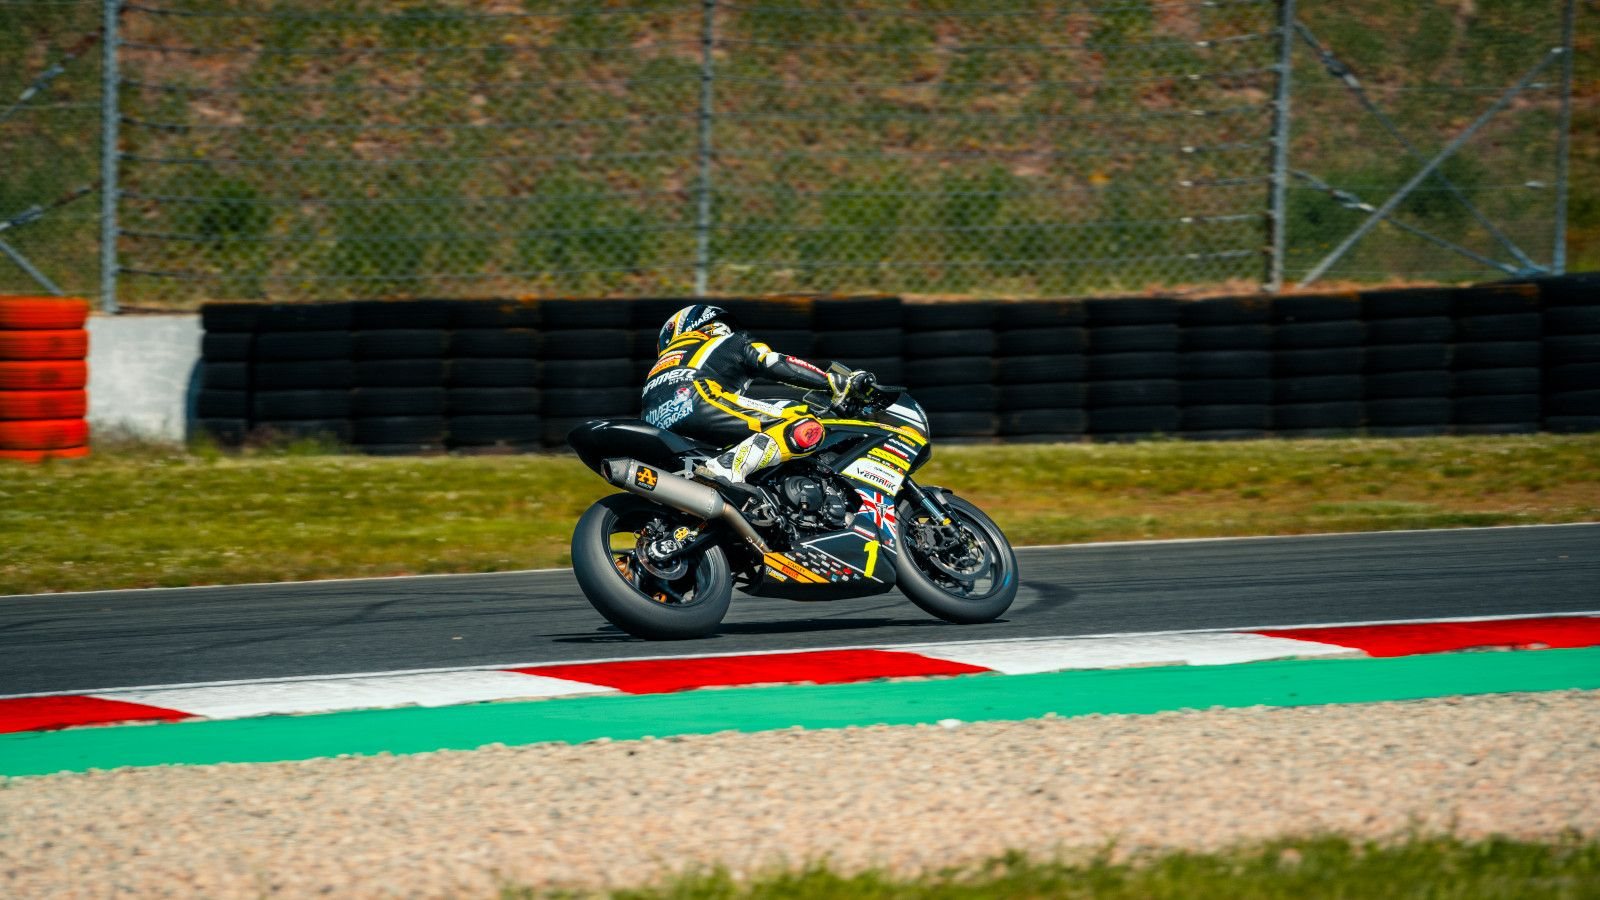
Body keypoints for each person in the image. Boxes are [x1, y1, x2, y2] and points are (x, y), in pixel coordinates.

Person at [642, 304, 871, 508]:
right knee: (802, 421)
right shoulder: (727, 341)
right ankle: (726, 468)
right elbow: (773, 363)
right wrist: (833, 382)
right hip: (698, 400)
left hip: (657, 424)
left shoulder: (661, 366)